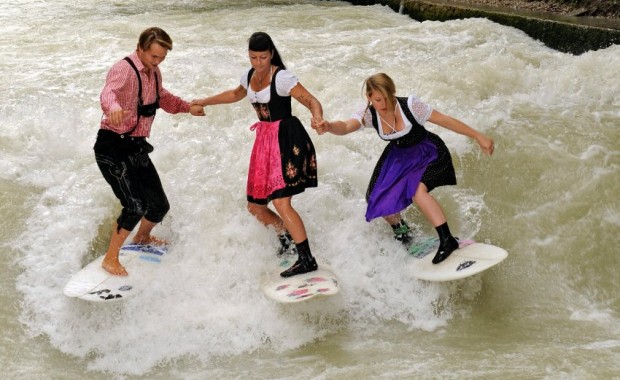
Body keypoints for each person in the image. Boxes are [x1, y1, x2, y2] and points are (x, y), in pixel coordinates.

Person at [314, 73, 494, 264]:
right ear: (368, 97)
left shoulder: (410, 106)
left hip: (427, 152)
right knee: (376, 198)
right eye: (377, 99)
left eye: (387, 98)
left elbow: (445, 120)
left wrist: (477, 136)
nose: (383, 104)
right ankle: (404, 235)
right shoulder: (368, 113)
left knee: (418, 191)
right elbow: (345, 126)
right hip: (399, 157)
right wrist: (328, 126)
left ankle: (447, 240)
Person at [193, 32, 323, 278]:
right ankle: (285, 236)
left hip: (286, 138)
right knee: (255, 206)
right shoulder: (249, 75)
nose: (258, 62)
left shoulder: (282, 77)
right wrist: (204, 101)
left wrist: (317, 116)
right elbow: (234, 94)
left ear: (271, 54)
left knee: (281, 202)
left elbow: (311, 100)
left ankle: (306, 258)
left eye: (262, 57)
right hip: (264, 141)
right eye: (253, 57)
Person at [95, 27, 205, 276]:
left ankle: (142, 238)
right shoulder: (124, 68)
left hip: (135, 146)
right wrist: (112, 107)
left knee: (158, 206)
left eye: (162, 58)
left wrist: (189, 108)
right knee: (134, 205)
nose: (157, 62)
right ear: (140, 49)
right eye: (154, 57)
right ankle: (110, 258)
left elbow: (162, 98)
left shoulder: (153, 73)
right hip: (112, 146)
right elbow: (108, 92)